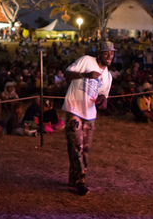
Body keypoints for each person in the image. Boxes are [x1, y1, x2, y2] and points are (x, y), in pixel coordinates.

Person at [62, 40, 114, 196]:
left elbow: (103, 94)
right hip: (74, 109)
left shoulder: (108, 76)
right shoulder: (86, 60)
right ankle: (80, 181)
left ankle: (74, 177)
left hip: (90, 114)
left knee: (84, 149)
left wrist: (103, 101)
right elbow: (67, 74)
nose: (109, 56)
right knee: (77, 146)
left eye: (111, 53)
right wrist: (85, 75)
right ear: (99, 53)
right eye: (106, 53)